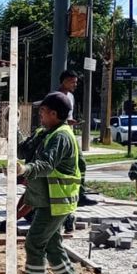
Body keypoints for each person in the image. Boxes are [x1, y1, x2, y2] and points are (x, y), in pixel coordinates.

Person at [12, 92, 83, 274]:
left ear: (54, 114)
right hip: (48, 200)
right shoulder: (46, 132)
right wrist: (13, 126)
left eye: (42, 111)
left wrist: (25, 170)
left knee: (34, 243)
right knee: (52, 246)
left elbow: (46, 165)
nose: (39, 115)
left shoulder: (61, 137)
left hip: (56, 201)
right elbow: (23, 149)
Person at [57, 70, 82, 233]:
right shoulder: (56, 97)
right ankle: (65, 217)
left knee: (80, 164)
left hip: (70, 135)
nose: (75, 85)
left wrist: (70, 122)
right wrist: (66, 121)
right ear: (64, 81)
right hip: (60, 136)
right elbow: (53, 118)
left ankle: (80, 194)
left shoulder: (71, 97)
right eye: (72, 82)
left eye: (76, 82)